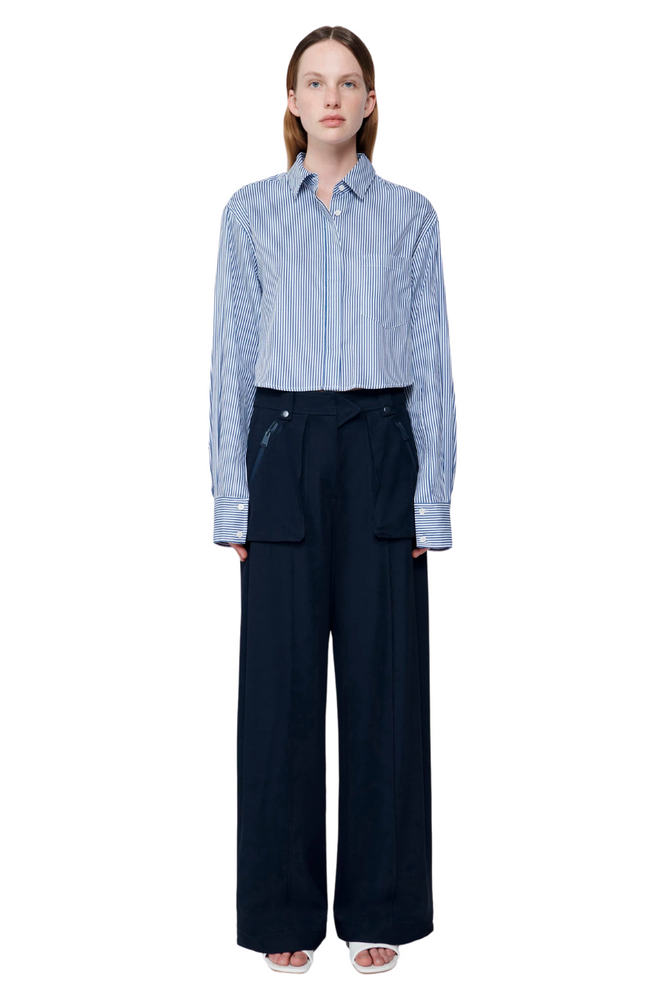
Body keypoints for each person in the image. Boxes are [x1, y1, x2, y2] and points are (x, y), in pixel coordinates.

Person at [208, 25, 457, 975]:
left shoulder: (410, 217)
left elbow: (431, 361)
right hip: (283, 445)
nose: (331, 98)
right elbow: (232, 357)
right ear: (291, 101)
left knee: (384, 687)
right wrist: (232, 500)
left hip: (380, 446)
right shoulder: (248, 214)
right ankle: (282, 909)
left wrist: (431, 499)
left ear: (369, 101)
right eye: (314, 83)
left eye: (347, 83)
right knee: (277, 693)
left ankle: (379, 905)